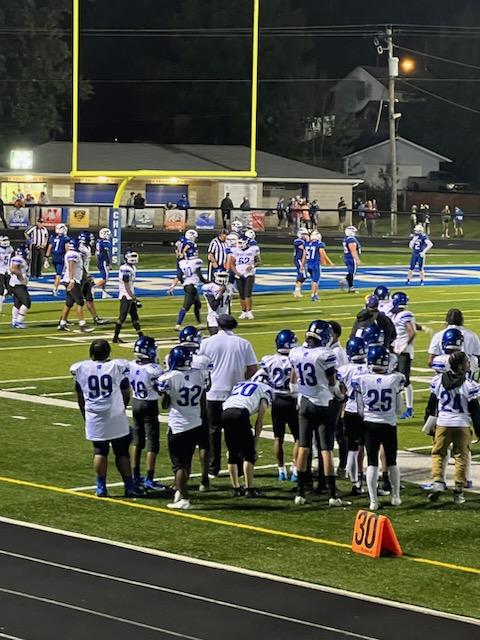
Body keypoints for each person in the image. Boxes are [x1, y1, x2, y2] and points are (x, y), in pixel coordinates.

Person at [288, 320, 348, 507]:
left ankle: (300, 493)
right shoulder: (325, 354)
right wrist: (341, 395)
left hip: (304, 402)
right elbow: (332, 383)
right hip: (323, 403)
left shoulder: (295, 352)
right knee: (326, 449)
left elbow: (293, 378)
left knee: (304, 447)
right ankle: (332, 494)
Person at [70, 339, 138, 499]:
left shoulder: (82, 368)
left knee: (100, 451)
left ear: (91, 353)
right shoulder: (116, 367)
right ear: (108, 353)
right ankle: (129, 487)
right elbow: (126, 392)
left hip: (95, 415)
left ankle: (101, 487)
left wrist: (85, 414)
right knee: (122, 452)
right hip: (115, 415)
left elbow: (80, 396)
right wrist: (120, 407)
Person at [198, 313, 258, 477]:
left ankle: (213, 467)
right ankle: (238, 466)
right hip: (235, 395)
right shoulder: (243, 343)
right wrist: (240, 378)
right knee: (237, 431)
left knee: (213, 431)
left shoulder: (207, 343)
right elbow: (253, 368)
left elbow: (199, 365)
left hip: (213, 392)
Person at [157, 346, 210, 510]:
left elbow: (165, 405)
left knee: (179, 465)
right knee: (186, 461)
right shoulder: (200, 374)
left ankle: (185, 498)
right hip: (195, 422)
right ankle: (180, 492)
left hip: (179, 425)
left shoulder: (169, 378)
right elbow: (205, 390)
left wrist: (167, 394)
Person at [425, 351, 480, 505]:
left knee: (438, 454)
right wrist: (478, 430)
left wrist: (428, 422)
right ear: (462, 366)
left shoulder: (438, 380)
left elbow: (431, 405)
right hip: (461, 424)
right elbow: (475, 410)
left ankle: (437, 481)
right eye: (467, 362)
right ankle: (458, 491)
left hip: (443, 422)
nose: (469, 364)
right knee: (461, 457)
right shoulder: (469, 385)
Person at [356, 345, 405, 511]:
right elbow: (399, 409)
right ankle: (396, 496)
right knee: (391, 462)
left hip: (370, 424)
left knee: (372, 463)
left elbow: (360, 409)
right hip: (389, 424)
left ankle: (373, 501)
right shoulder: (394, 379)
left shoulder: (362, 379)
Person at [221, 370, 273, 497]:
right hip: (240, 413)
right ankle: (249, 489)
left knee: (232, 453)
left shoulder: (241, 384)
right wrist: (254, 445)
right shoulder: (265, 390)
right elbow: (259, 421)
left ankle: (236, 488)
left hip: (225, 412)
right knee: (248, 454)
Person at [128, 335, 168, 493]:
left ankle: (135, 475)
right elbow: (161, 388)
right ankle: (149, 478)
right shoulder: (154, 369)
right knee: (152, 441)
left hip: (135, 402)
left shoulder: (130, 365)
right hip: (149, 404)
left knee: (137, 440)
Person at [260, 330, 299, 481]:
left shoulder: (268, 360)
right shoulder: (295, 360)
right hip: (292, 400)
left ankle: (281, 470)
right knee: (298, 439)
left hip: (276, 400)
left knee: (278, 438)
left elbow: (260, 377)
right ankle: (295, 469)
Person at [178, 326, 213, 492]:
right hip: (200, 404)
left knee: (183, 447)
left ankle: (182, 480)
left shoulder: (173, 355)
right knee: (203, 444)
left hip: (180, 408)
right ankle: (204, 479)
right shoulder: (204, 359)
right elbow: (208, 385)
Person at [337, 337, 368, 496]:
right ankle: (365, 481)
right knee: (367, 448)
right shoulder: (370, 368)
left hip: (350, 411)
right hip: (367, 413)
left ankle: (355, 483)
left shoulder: (344, 370)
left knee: (352, 449)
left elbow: (341, 391)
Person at [390, 292, 416, 419]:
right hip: (398, 350)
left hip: (403, 352)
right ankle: (397, 407)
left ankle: (410, 408)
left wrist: (404, 346)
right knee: (397, 380)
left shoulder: (404, 315)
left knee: (405, 381)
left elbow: (412, 331)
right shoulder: (398, 315)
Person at [57, 238, 90, 333]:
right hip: (72, 281)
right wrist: (72, 280)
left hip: (69, 280)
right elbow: (71, 265)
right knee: (80, 302)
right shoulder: (73, 254)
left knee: (69, 303)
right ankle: (82, 325)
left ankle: (62, 323)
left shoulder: (69, 253)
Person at [113, 250, 143, 344]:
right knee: (122, 317)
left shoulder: (132, 267)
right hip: (126, 295)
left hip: (129, 295)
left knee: (135, 316)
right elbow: (126, 284)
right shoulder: (125, 268)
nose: (134, 258)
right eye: (132, 256)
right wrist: (133, 297)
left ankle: (141, 336)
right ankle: (115, 337)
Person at [78, 232, 107, 326]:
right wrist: (86, 275)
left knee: (89, 298)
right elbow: (80, 265)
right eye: (90, 239)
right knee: (74, 301)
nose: (92, 240)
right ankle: (64, 321)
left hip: (85, 276)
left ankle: (96, 318)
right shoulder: (80, 249)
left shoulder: (87, 248)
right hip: (79, 277)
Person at [171, 255, 206, 331]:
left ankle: (200, 323)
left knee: (197, 304)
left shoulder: (182, 263)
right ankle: (178, 324)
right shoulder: (196, 262)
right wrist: (206, 282)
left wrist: (181, 282)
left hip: (187, 285)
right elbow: (200, 275)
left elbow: (179, 276)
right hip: (191, 286)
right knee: (186, 306)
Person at [230, 234, 260, 320]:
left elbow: (258, 261)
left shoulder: (253, 249)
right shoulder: (235, 250)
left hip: (249, 274)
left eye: (241, 242)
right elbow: (232, 264)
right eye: (238, 242)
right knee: (241, 294)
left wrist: (252, 266)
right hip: (239, 274)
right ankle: (243, 311)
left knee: (247, 294)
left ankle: (249, 311)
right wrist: (236, 272)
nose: (239, 244)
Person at [305, 230, 334, 302]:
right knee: (315, 281)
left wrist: (303, 264)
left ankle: (316, 293)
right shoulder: (319, 244)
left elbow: (304, 255)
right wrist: (328, 262)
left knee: (314, 281)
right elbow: (322, 253)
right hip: (315, 264)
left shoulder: (307, 244)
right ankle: (313, 295)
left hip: (308, 264)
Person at [202, 270, 233, 335]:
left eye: (225, 276)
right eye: (221, 276)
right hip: (214, 319)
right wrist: (221, 293)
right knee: (215, 341)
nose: (223, 278)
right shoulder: (210, 287)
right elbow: (214, 307)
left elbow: (228, 304)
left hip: (225, 318)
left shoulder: (229, 286)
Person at [9, 245, 31, 329]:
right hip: (18, 284)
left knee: (17, 303)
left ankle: (14, 321)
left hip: (15, 284)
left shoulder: (16, 258)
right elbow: (13, 269)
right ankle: (19, 321)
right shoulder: (18, 259)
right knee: (27, 302)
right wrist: (21, 277)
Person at [46, 223, 70, 296]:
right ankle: (55, 289)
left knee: (58, 274)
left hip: (54, 257)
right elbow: (67, 249)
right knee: (60, 275)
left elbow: (49, 247)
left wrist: (46, 258)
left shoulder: (53, 237)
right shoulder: (65, 238)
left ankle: (58, 287)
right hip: (61, 258)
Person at [341, 226, 361, 293]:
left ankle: (349, 285)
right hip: (351, 258)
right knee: (352, 273)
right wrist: (357, 259)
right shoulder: (351, 240)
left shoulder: (346, 239)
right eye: (354, 231)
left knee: (351, 273)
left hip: (347, 257)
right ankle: (349, 286)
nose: (355, 233)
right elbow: (353, 250)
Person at [96, 228, 112, 299]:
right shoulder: (105, 242)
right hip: (104, 261)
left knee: (104, 278)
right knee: (105, 279)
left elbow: (96, 253)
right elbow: (107, 252)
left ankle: (104, 293)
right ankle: (92, 287)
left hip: (100, 260)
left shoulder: (99, 241)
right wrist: (108, 262)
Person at [293, 227, 309, 298]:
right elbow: (304, 248)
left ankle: (297, 291)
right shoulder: (298, 241)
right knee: (302, 275)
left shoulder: (303, 241)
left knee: (303, 275)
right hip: (299, 259)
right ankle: (297, 291)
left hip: (302, 259)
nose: (305, 235)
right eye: (304, 234)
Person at [0, 235, 13, 315]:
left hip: (7, 271)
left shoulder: (10, 249)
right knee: (0, 290)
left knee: (9, 290)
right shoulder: (10, 249)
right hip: (1, 271)